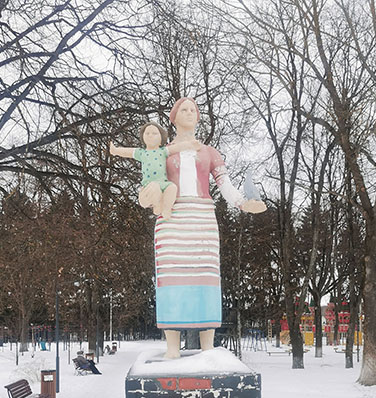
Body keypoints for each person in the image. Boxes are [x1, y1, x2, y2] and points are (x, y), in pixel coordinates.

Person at [153, 97, 266, 359]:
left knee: (206, 276)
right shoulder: (164, 152)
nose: (189, 113)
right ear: (174, 117)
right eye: (184, 109)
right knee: (170, 277)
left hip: (202, 218)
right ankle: (172, 347)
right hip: (171, 219)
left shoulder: (210, 152)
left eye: (193, 109)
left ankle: (208, 346)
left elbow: (224, 184)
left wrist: (242, 203)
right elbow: (153, 180)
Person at [109, 122, 201, 220]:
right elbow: (128, 152)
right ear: (143, 137)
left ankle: (166, 209)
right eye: (147, 133)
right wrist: (116, 151)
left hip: (163, 183)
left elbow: (176, 147)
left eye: (154, 133)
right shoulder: (142, 152)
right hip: (148, 185)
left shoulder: (163, 151)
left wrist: (190, 145)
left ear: (161, 138)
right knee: (155, 187)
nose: (150, 135)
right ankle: (157, 205)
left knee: (172, 187)